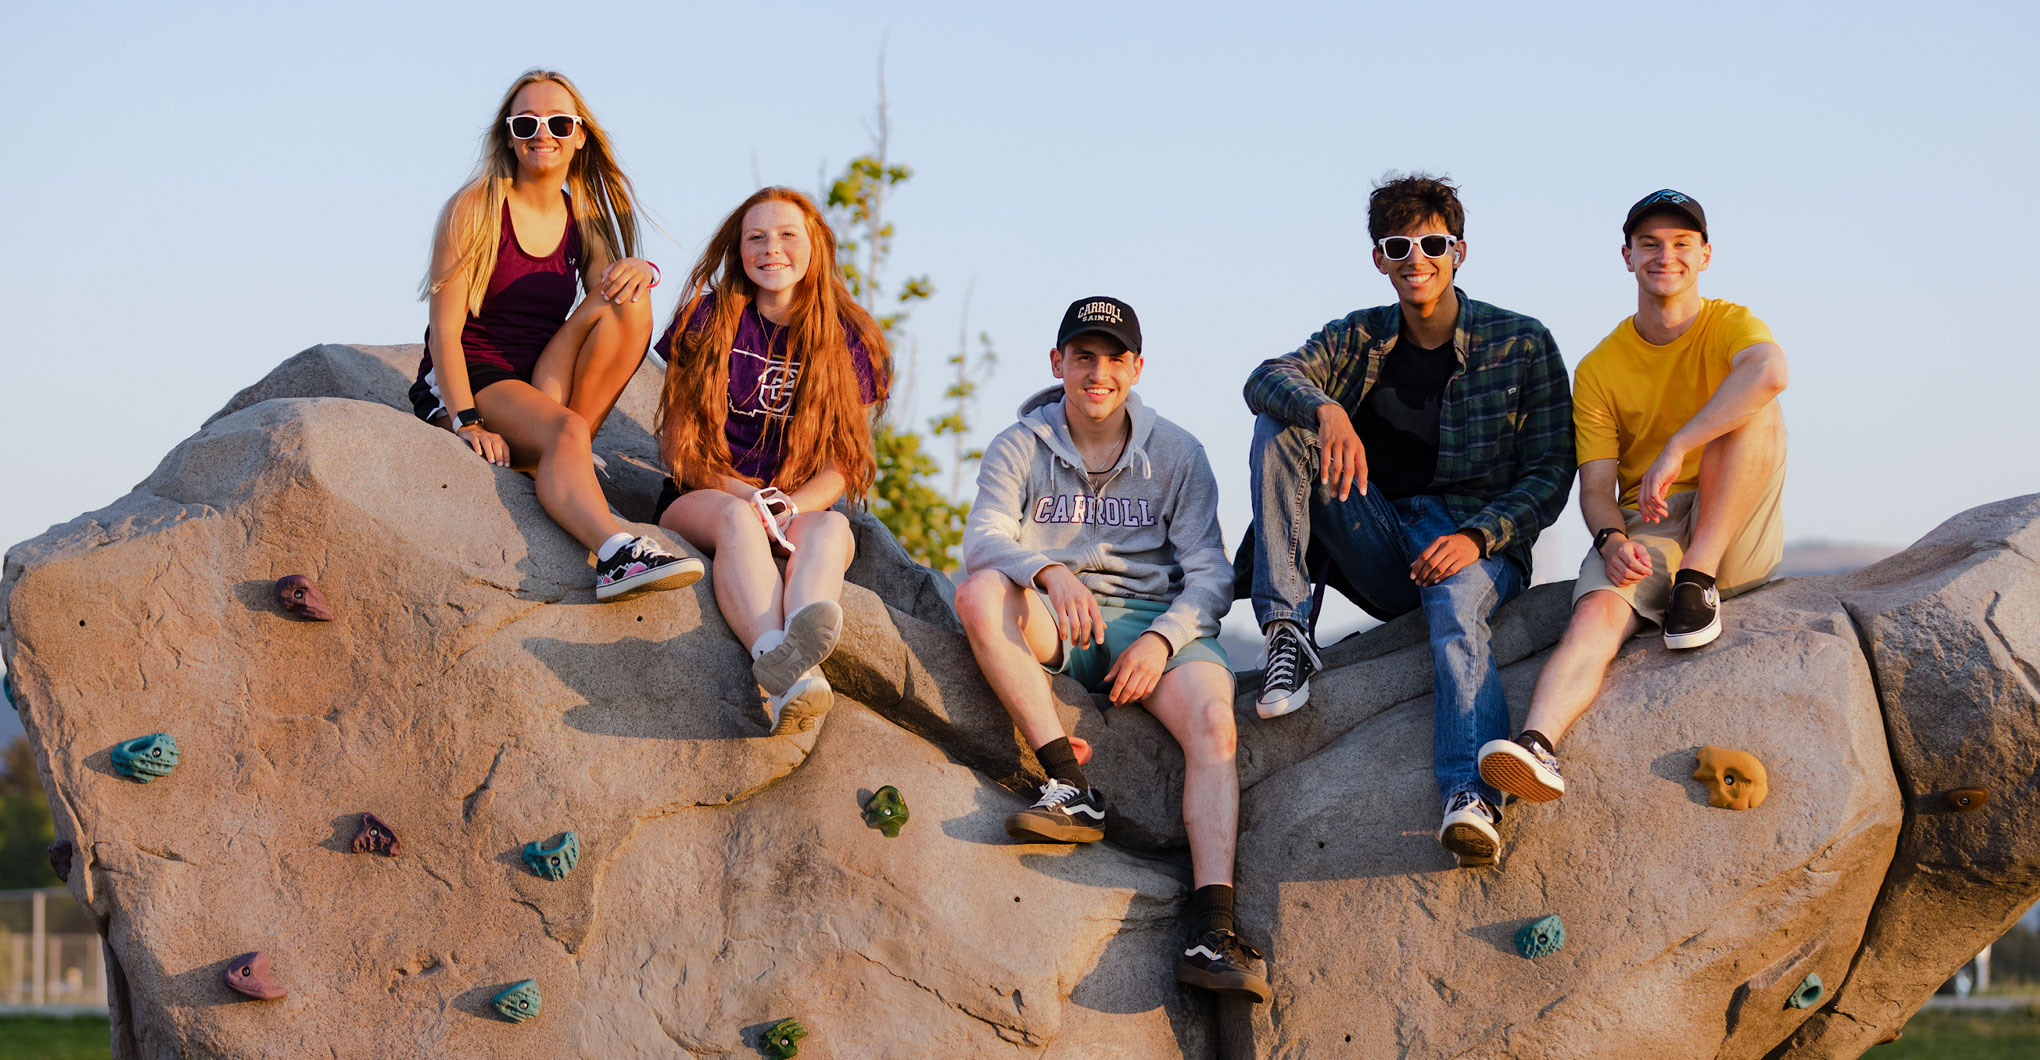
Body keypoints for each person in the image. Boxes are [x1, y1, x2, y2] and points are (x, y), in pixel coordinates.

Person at [1243, 174, 1574, 867]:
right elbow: (1267, 376)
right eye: (1399, 246)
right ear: (1380, 259)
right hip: (1384, 542)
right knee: (1281, 426)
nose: (1415, 258)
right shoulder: (1358, 339)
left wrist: (1478, 537)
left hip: (1475, 542)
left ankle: (1472, 795)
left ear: (1458, 250)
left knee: (1458, 605)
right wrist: (1327, 410)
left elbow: (1549, 472)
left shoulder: (1521, 344)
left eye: (1431, 243)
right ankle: (1286, 633)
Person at [956, 296, 1270, 1003]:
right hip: (1058, 618)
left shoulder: (1177, 451)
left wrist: (1162, 640)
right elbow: (982, 539)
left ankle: (1211, 927)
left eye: (1113, 358)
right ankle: (1071, 787)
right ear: (1058, 363)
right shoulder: (1020, 444)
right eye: (1084, 356)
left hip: (1154, 620)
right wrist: (1049, 569)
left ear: (1136, 368)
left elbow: (1212, 573)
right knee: (977, 593)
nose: (1098, 372)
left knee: (1216, 725)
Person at [1480, 190, 1787, 805]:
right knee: (1594, 613)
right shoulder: (1601, 367)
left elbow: (1771, 371)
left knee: (1753, 406)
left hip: (1732, 512)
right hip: (1650, 523)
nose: (1664, 256)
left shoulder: (1730, 324)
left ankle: (1697, 584)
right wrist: (1611, 539)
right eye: (1649, 244)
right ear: (1627, 256)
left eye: (1680, 244)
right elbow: (1595, 485)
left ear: (1704, 255)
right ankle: (1538, 746)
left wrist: (1679, 444)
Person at [412, 69, 700, 602]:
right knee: (563, 429)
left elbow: (607, 309)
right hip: (479, 375)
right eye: (526, 123)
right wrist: (465, 421)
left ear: (579, 135)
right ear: (508, 135)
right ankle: (615, 553)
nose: (542, 134)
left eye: (559, 122)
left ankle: (563, 450)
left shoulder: (581, 216)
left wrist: (644, 269)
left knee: (629, 296)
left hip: (541, 371)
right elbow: (444, 335)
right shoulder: (474, 208)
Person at [653, 188, 888, 735]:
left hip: (790, 507)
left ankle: (796, 669)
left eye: (787, 235)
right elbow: (679, 449)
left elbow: (844, 463)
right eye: (755, 237)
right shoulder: (708, 315)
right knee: (739, 523)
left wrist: (790, 503)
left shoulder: (849, 337)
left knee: (831, 530)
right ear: (739, 249)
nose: (771, 248)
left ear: (816, 247)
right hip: (708, 497)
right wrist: (747, 497)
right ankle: (777, 653)